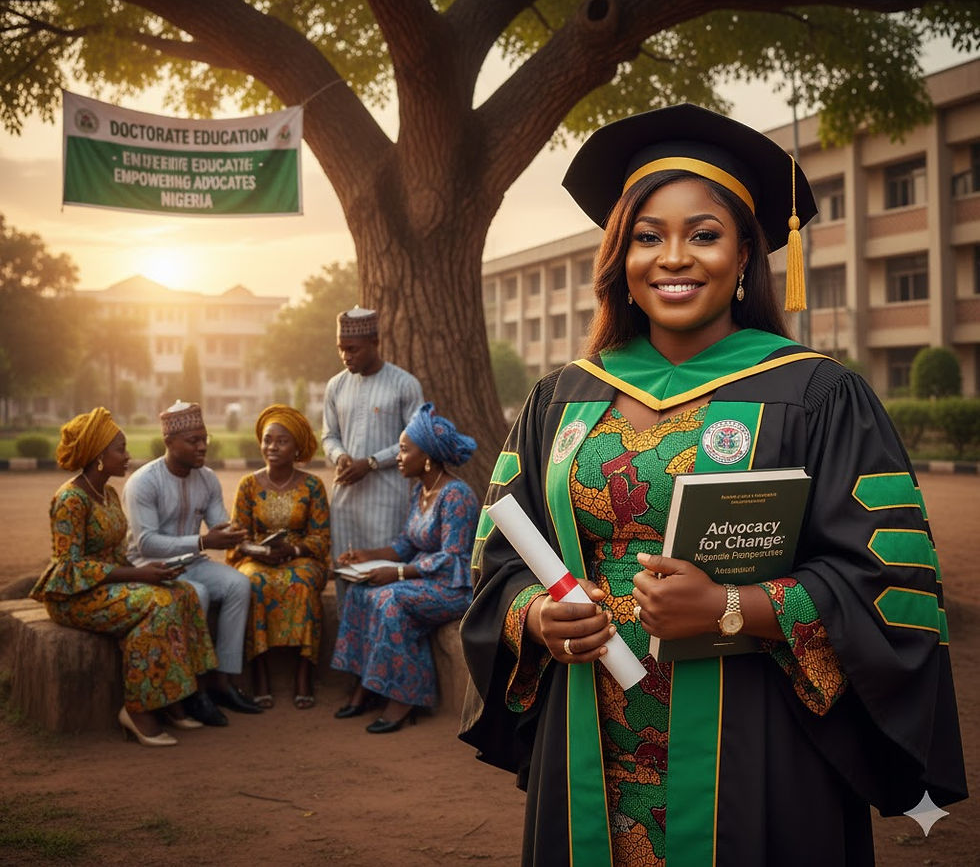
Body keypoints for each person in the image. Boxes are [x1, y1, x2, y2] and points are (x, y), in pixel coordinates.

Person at [458, 103, 967, 866]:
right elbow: (499, 561)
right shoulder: (561, 397)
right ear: (620, 257)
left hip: (757, 744)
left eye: (703, 234)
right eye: (647, 236)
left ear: (745, 254)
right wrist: (536, 618)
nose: (673, 258)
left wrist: (732, 607)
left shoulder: (815, 393)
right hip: (589, 734)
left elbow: (887, 580)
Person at [31, 407, 217, 747]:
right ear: (99, 457)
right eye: (120, 449)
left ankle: (175, 696)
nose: (127, 456)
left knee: (182, 593)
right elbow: (71, 566)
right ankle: (137, 710)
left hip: (107, 585)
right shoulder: (71, 500)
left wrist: (153, 573)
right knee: (155, 605)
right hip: (74, 597)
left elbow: (116, 553)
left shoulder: (108, 494)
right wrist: (137, 575)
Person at [331, 402, 479, 733]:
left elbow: (452, 557)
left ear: (426, 456)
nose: (398, 457)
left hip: (453, 588)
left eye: (403, 450)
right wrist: (366, 556)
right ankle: (367, 685)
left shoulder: (456, 495)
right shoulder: (421, 491)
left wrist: (397, 573)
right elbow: (405, 545)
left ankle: (404, 697)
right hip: (423, 580)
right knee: (359, 592)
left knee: (389, 600)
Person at [124, 400, 263, 725]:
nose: (202, 446)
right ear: (169, 442)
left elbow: (219, 525)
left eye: (204, 438)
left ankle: (223, 682)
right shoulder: (144, 482)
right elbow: (146, 543)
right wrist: (202, 542)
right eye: (193, 441)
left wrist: (249, 543)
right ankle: (192, 690)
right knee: (196, 593)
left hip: (192, 562)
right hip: (152, 567)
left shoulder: (207, 478)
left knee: (238, 584)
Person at [227, 405, 331, 709]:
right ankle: (259, 671)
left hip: (301, 557)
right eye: (268, 440)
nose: (272, 447)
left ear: (296, 448)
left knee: (302, 583)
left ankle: (304, 672)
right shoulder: (248, 485)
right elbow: (238, 535)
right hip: (257, 558)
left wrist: (293, 551)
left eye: (282, 441)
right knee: (252, 583)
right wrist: (257, 551)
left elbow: (321, 538)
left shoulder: (312, 485)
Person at [321, 305, 424, 610]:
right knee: (345, 570)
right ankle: (348, 636)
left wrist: (371, 463)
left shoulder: (405, 384)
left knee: (381, 576)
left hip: (387, 499)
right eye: (341, 349)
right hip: (345, 500)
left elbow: (416, 437)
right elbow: (328, 436)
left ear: (374, 342)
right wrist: (340, 457)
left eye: (352, 349)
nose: (345, 356)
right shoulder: (335, 385)